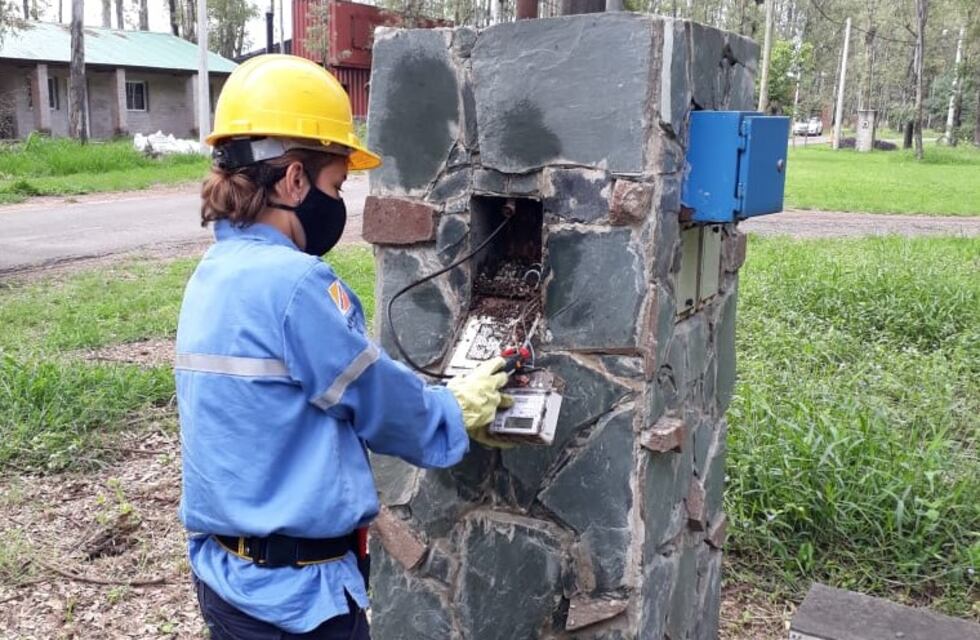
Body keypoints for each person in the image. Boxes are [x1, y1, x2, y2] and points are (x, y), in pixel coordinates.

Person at [175, 54, 510, 640]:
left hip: (228, 583)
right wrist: (457, 408)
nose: (338, 202)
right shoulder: (297, 286)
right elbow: (376, 401)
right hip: (294, 601)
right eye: (336, 184)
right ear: (295, 180)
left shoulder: (212, 273)